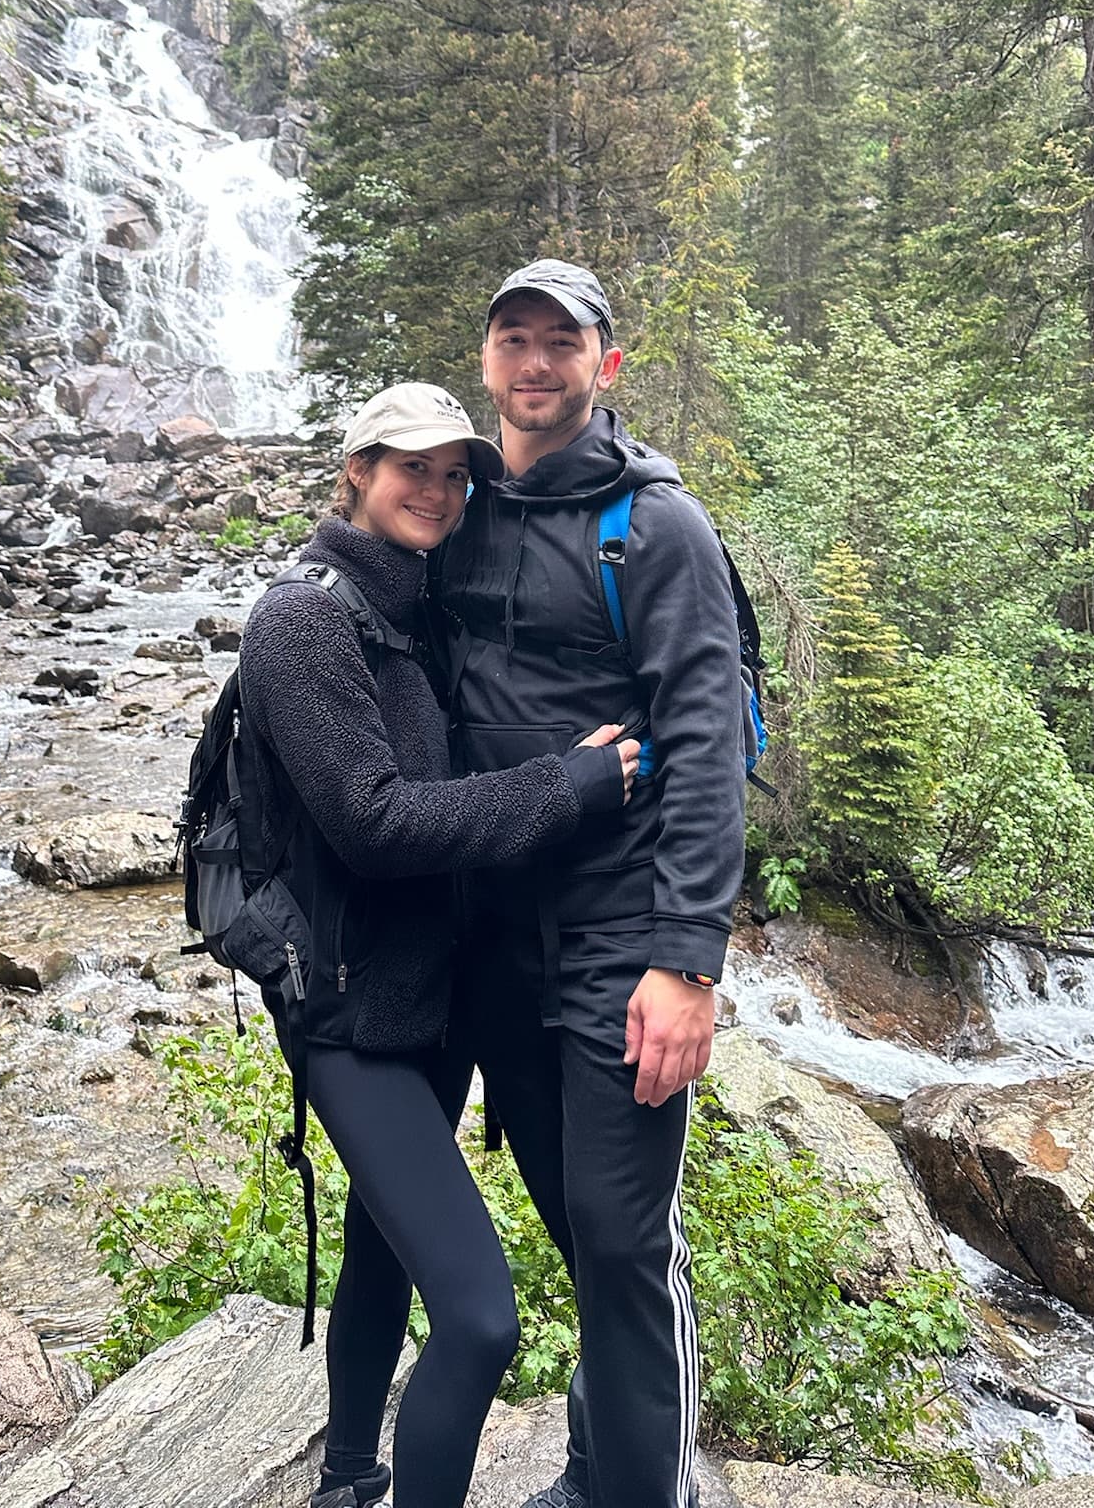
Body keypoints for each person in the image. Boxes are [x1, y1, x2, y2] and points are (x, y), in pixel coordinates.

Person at [238, 380, 641, 1508]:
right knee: (477, 1313)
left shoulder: (421, 602)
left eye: (457, 472)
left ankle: (347, 1477)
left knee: (380, 1246)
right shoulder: (300, 621)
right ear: (357, 468)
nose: (439, 488)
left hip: (435, 993)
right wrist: (561, 786)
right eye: (413, 465)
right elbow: (371, 823)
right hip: (349, 1011)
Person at [434, 261, 747, 1508]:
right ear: (488, 358)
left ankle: (644, 1491)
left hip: (625, 934)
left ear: (605, 363)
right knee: (574, 1221)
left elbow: (710, 746)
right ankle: (593, 1464)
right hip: (498, 938)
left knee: (623, 1242)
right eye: (515, 337)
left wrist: (688, 960)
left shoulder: (654, 526)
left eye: (562, 341)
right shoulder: (460, 504)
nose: (537, 361)